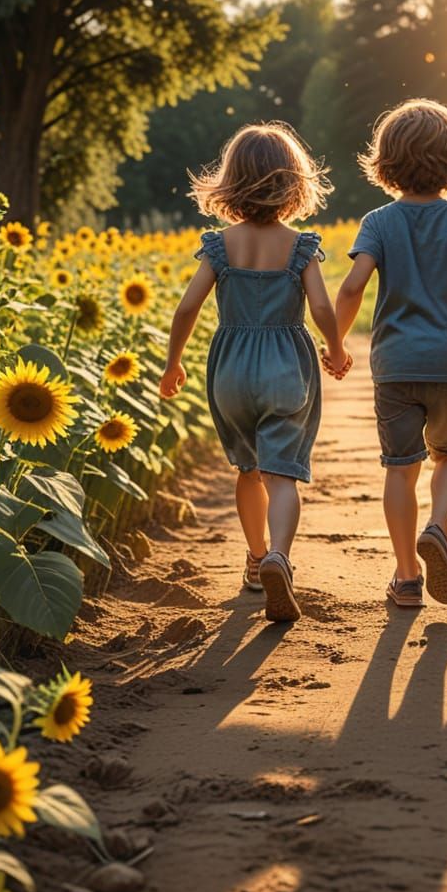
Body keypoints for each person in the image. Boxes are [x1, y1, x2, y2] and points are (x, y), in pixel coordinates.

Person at [159, 122, 350, 623]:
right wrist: (335, 347)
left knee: (248, 470)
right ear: (294, 182)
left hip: (231, 371)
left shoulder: (220, 246)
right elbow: (323, 307)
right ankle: (280, 558)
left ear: (231, 182)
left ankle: (253, 556)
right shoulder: (301, 245)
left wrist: (173, 362)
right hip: (285, 365)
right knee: (281, 474)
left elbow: (186, 309)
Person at [332, 98, 447, 608]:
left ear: (384, 164)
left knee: (399, 468)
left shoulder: (379, 222)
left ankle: (407, 577)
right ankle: (438, 528)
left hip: (395, 366)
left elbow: (351, 289)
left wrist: (337, 344)